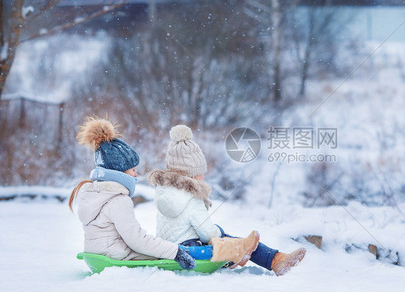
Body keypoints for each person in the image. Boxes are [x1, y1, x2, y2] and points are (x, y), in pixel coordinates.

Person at [68, 117, 258, 270]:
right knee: (193, 250)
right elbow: (137, 241)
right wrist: (175, 252)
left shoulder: (94, 194)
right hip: (116, 254)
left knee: (166, 245)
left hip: (98, 254)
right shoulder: (118, 201)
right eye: (132, 170)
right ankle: (234, 251)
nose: (136, 174)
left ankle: (236, 252)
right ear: (118, 172)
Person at [149, 124, 307, 276]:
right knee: (231, 240)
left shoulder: (164, 191)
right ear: (191, 174)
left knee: (232, 239)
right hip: (193, 250)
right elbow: (207, 233)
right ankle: (274, 260)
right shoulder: (191, 196)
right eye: (199, 173)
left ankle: (269, 257)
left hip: (169, 248)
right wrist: (220, 234)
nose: (203, 177)